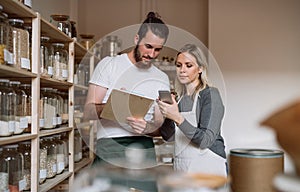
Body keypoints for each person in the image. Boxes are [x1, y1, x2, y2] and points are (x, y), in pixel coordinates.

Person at [83, 12, 170, 168]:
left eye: (158, 50)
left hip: (144, 146)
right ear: (137, 39)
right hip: (111, 144)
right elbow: (89, 111)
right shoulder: (109, 65)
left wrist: (147, 128)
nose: (151, 54)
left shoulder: (161, 78)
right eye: (148, 46)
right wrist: (115, 108)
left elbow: (160, 127)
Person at [157, 44, 227, 176]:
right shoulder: (178, 98)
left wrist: (177, 117)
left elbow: (205, 140)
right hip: (182, 167)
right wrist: (168, 113)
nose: (182, 70)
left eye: (188, 65)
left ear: (200, 68)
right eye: (179, 65)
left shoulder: (210, 95)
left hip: (208, 166)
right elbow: (168, 137)